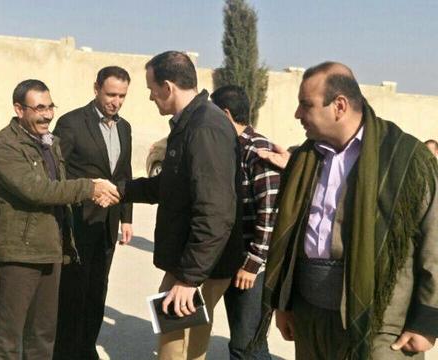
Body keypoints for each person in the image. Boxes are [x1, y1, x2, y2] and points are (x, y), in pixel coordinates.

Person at [258, 62, 438, 359]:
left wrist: (426, 323)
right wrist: (285, 304)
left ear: (339, 106)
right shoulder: (306, 158)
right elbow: (291, 241)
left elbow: (434, 242)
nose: (297, 114)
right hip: (310, 318)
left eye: (306, 105)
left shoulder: (406, 159)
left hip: (380, 322)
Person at [0, 79, 120, 359]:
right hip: (19, 254)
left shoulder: (51, 143)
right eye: (39, 108)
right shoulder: (4, 147)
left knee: (44, 334)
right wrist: (90, 187)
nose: (47, 115)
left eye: (50, 107)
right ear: (19, 109)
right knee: (9, 337)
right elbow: (38, 190)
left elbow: (59, 188)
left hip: (51, 250)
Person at [119, 51, 240, 359]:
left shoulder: (205, 127)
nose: (150, 97)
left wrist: (188, 279)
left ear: (168, 87)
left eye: (151, 89)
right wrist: (121, 191)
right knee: (183, 345)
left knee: (176, 348)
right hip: (192, 260)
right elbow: (171, 186)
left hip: (199, 263)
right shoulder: (190, 123)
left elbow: (216, 210)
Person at [53, 66, 133, 360]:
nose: (116, 101)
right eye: (111, 94)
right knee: (73, 291)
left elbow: (124, 174)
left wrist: (127, 217)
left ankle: (86, 347)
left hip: (108, 226)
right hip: (77, 223)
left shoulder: (124, 128)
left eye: (122, 96)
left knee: (98, 290)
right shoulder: (72, 123)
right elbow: (56, 172)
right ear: (96, 88)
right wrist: (88, 190)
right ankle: (65, 351)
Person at [210, 85, 278, 360]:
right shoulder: (230, 147)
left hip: (254, 267)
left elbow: (269, 211)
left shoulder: (258, 149)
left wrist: (252, 264)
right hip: (233, 259)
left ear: (225, 114)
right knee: (245, 341)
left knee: (246, 344)